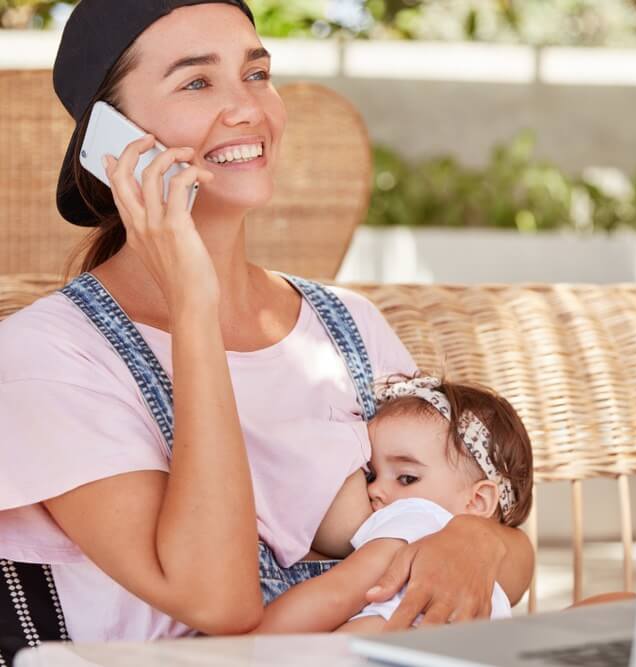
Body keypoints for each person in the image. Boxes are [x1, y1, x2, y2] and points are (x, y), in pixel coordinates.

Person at [0, 0, 532, 651]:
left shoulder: (347, 328)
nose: (247, 108)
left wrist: (473, 540)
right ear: (110, 141)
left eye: (256, 74)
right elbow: (220, 601)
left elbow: (506, 547)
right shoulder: (47, 357)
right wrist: (194, 301)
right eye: (197, 82)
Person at [254, 375, 535, 635]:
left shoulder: (417, 519)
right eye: (372, 474)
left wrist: (245, 647)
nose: (374, 489)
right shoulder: (485, 584)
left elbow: (336, 595)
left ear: (477, 500)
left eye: (406, 478)